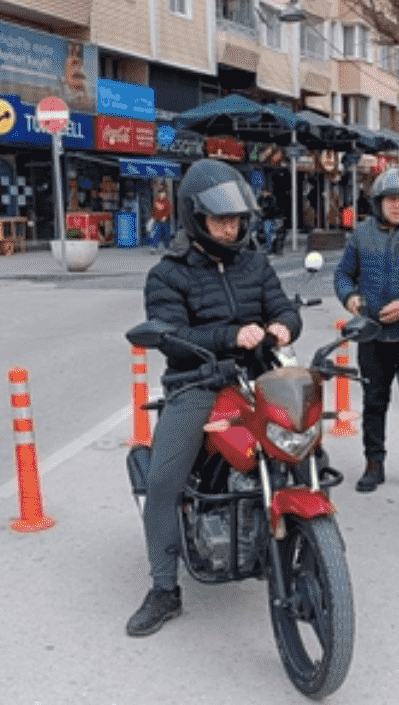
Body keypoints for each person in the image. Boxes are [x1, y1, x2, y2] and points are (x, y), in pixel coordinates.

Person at [127, 159, 303, 637]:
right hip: (197, 381)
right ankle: (164, 589)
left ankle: (300, 540)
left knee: (306, 447)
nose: (231, 227)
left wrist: (285, 323)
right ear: (194, 218)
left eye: (237, 219)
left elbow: (281, 305)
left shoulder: (254, 261)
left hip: (259, 378)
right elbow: (171, 333)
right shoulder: (167, 274)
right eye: (220, 219)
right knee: (164, 481)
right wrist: (232, 336)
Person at [334, 166, 399, 495]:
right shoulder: (362, 234)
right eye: (390, 200)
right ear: (378, 203)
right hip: (373, 336)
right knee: (374, 403)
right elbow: (343, 275)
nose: (397, 205)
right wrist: (349, 296)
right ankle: (373, 464)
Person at [150, 184, 172, 253]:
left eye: (164, 193)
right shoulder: (156, 202)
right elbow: (154, 210)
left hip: (165, 221)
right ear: (159, 194)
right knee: (157, 234)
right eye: (161, 193)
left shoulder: (167, 202)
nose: (162, 195)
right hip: (157, 221)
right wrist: (153, 218)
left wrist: (165, 216)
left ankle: (167, 248)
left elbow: (168, 211)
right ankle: (154, 248)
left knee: (166, 235)